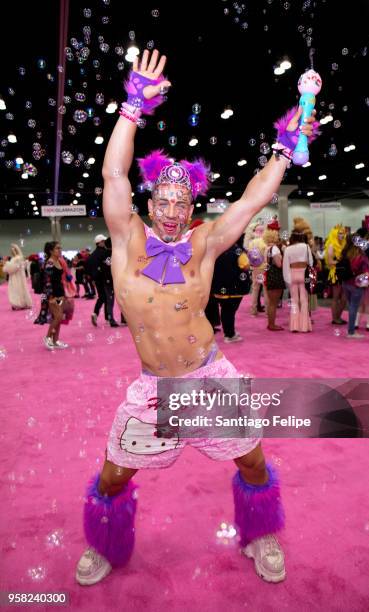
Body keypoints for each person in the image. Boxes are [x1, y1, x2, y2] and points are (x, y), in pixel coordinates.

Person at [75, 48, 317, 587]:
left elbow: (252, 201)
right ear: (150, 198)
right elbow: (113, 170)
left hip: (207, 378)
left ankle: (261, 534)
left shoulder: (204, 244)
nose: (169, 210)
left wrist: (286, 144)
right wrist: (132, 107)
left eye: (180, 203)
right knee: (113, 478)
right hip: (152, 388)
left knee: (253, 465)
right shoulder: (125, 235)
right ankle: (107, 544)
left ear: (191, 207)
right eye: (161, 199)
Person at [211, 235, 251, 342]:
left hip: (220, 286)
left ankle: (229, 331)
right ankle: (229, 335)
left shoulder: (218, 250)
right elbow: (246, 265)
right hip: (234, 287)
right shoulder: (237, 250)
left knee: (225, 310)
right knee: (229, 311)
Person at [338, 234, 369, 338]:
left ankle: (351, 330)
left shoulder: (345, 253)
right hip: (357, 285)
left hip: (345, 283)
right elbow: (367, 272)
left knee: (351, 306)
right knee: (353, 308)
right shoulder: (361, 256)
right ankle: (351, 332)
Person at [282, 232, 313, 332]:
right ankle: (304, 327)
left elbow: (285, 265)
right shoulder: (306, 246)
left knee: (294, 301)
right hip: (304, 274)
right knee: (304, 300)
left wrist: (287, 279)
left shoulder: (288, 248)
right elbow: (311, 262)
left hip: (293, 274)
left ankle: (294, 326)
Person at [42, 241, 71, 350]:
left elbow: (60, 279)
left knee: (58, 318)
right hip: (52, 295)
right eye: (57, 248)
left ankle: (56, 340)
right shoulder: (49, 263)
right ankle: (47, 337)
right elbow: (47, 281)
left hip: (60, 293)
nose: (60, 250)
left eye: (60, 248)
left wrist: (65, 294)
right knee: (58, 316)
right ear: (51, 251)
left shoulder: (59, 261)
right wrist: (50, 297)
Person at [88, 234, 119, 327]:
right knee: (107, 298)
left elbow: (88, 267)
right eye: (103, 241)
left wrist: (92, 278)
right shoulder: (105, 253)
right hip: (105, 278)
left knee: (103, 297)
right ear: (100, 242)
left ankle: (99, 314)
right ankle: (106, 317)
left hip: (96, 279)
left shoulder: (92, 255)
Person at [263, 221, 285, 331]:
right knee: (273, 303)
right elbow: (279, 264)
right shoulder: (275, 249)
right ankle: (272, 324)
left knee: (271, 302)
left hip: (269, 275)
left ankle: (270, 324)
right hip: (276, 276)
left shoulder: (267, 248)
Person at [324, 225, 347, 325]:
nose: (342, 235)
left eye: (343, 233)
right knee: (336, 297)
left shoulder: (345, 245)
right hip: (336, 273)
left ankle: (338, 316)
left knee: (345, 297)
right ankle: (335, 318)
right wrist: (340, 263)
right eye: (339, 233)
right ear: (335, 234)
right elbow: (329, 261)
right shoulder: (331, 245)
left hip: (345, 273)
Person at [3, 244, 32, 310]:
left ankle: (19, 304)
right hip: (16, 277)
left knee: (17, 290)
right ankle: (21, 303)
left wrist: (6, 263)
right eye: (11, 250)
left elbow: (13, 268)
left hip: (16, 277)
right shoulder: (17, 258)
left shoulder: (17, 258)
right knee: (19, 289)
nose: (12, 252)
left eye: (13, 250)